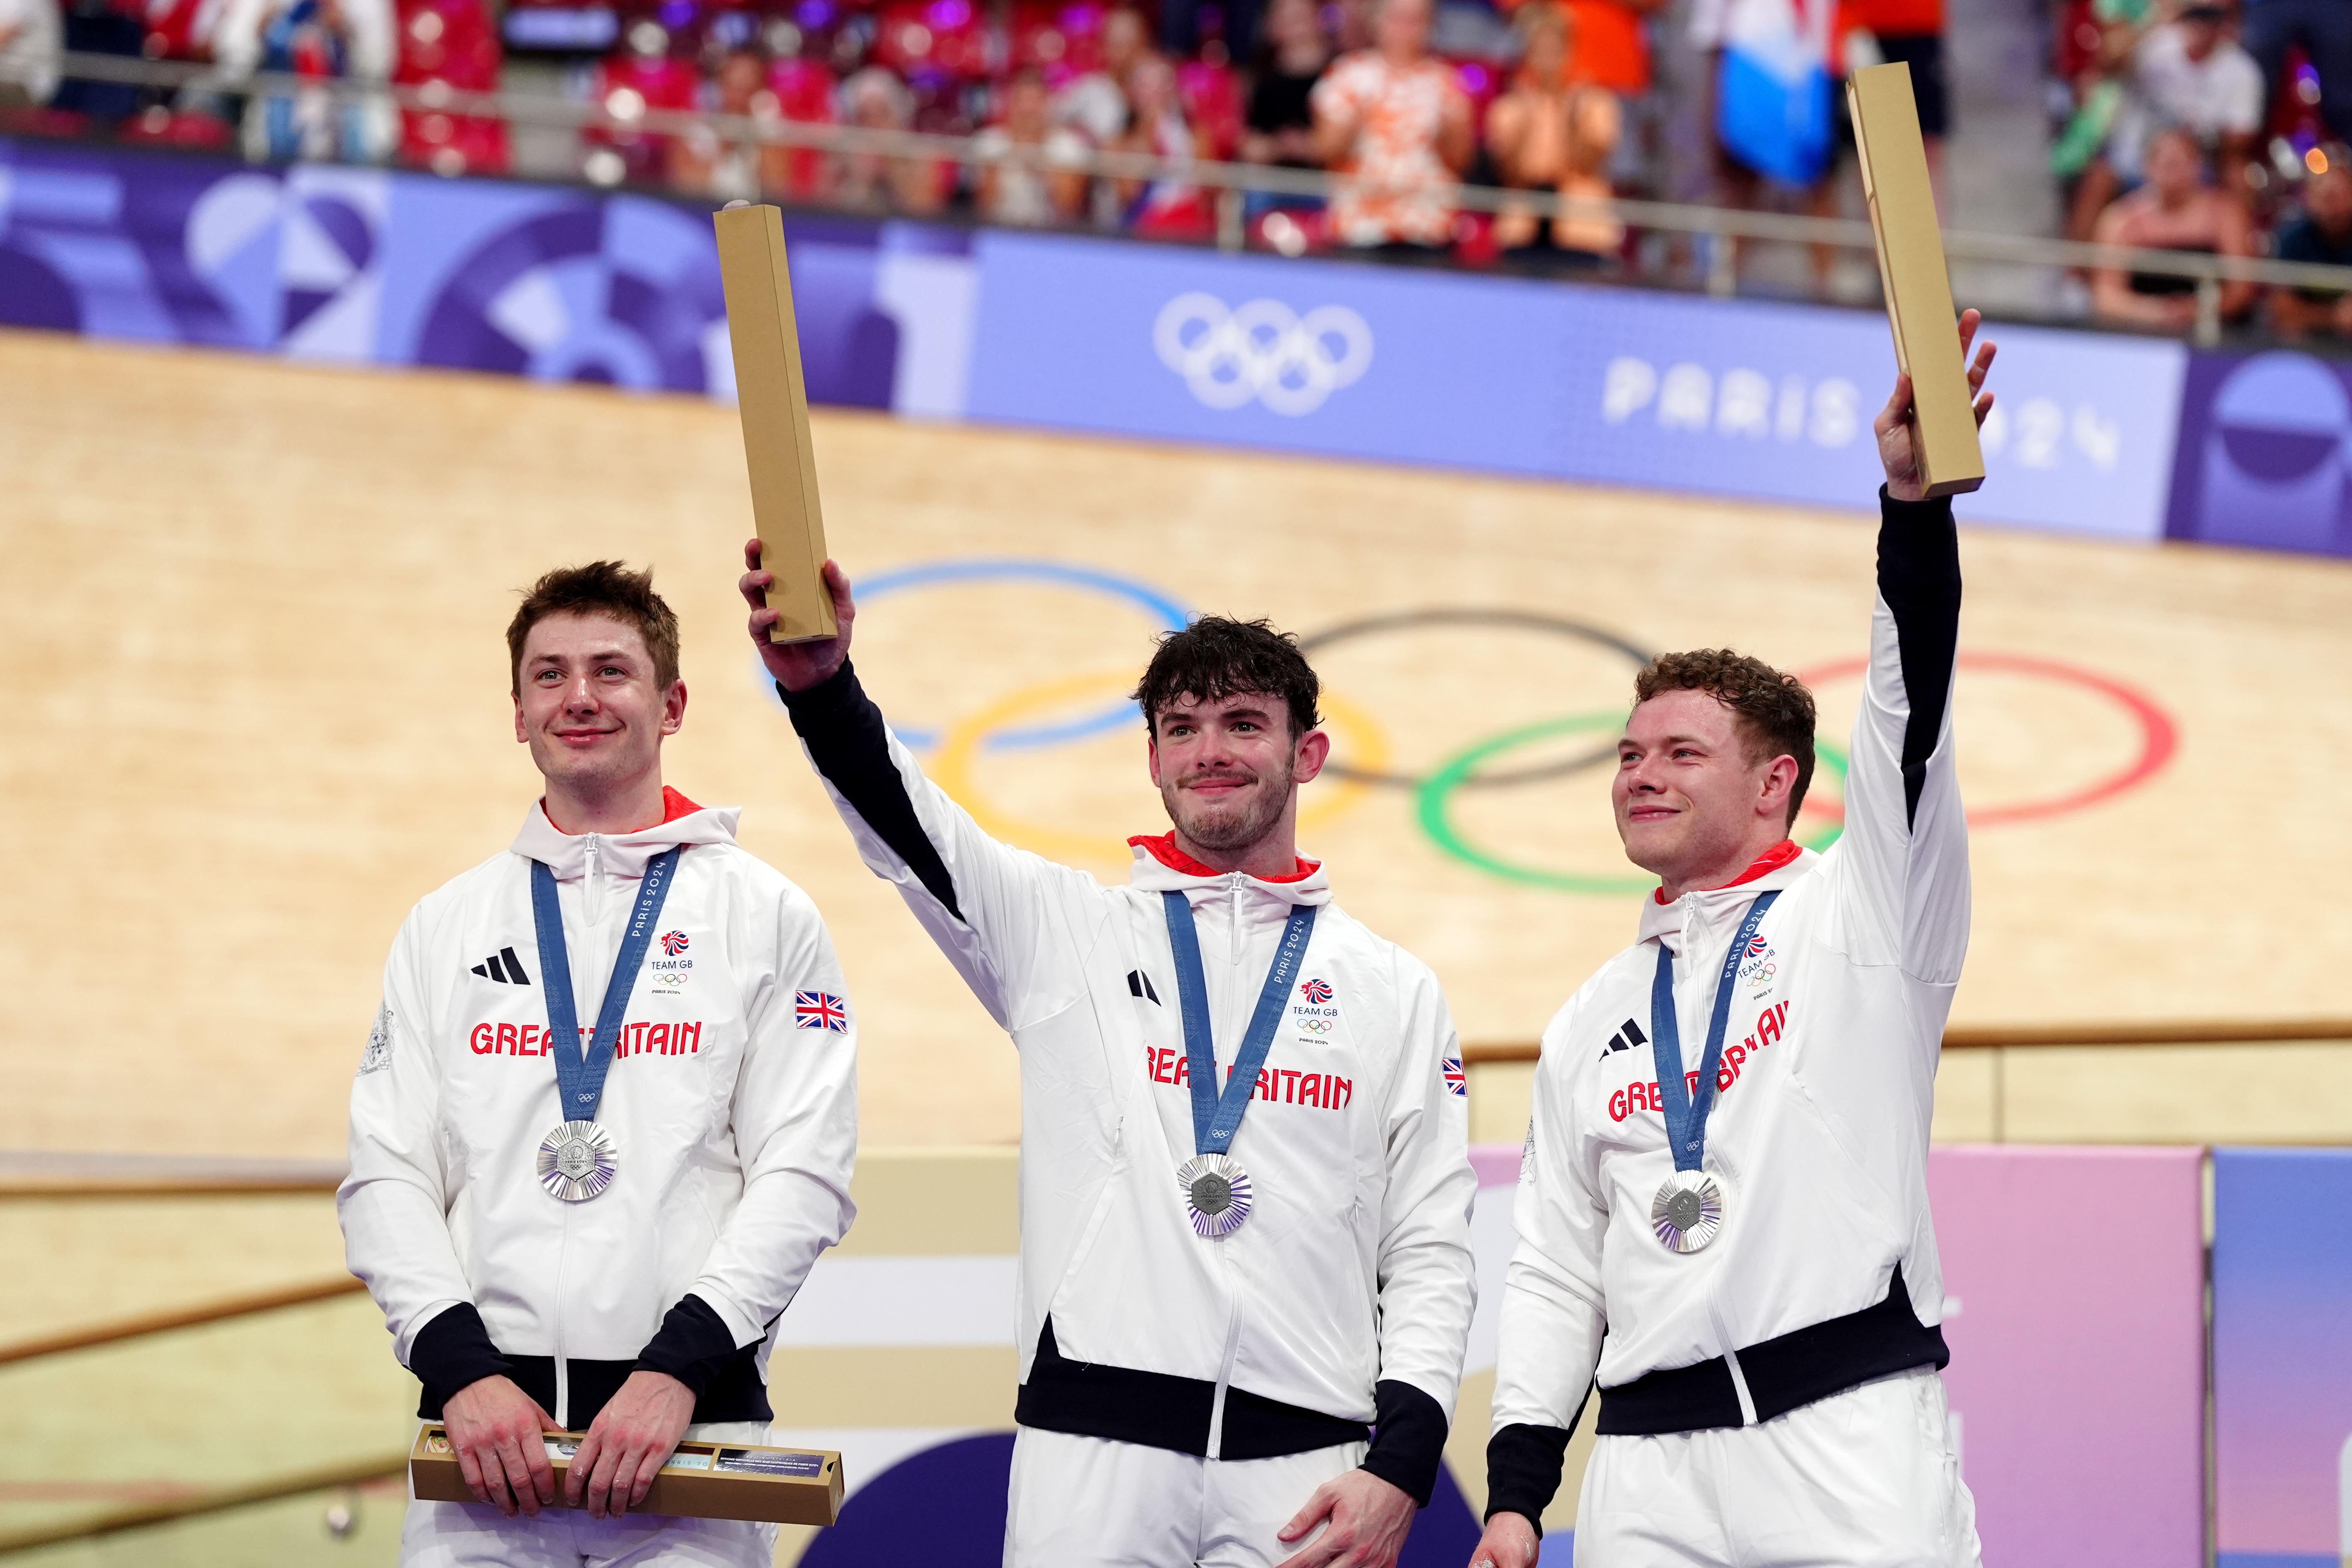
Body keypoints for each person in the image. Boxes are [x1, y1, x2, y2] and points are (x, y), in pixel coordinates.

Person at [737, 559, 1477, 1568]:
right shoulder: (1064, 932)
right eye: (1181, 728)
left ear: (1306, 753)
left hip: (1305, 1464)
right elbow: (911, 828)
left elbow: (1429, 1248)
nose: (1208, 752)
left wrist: (1399, 1464)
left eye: (1240, 725)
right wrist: (821, 688)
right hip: (1090, 1448)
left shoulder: (1393, 989)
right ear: (1152, 759)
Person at [1467, 314, 1999, 1568]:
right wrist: (1517, 1485)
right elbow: (1552, 1266)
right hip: (1644, 1473)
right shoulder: (1589, 1014)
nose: (1639, 775)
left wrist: (1910, 515)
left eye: (1680, 752)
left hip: (1846, 1442)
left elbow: (1906, 721)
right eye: (1627, 755)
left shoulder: (1867, 907)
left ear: (1776, 783)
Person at [342, 561, 858, 1568]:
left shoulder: (766, 915)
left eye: (610, 671)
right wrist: (460, 1374)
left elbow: (802, 1176)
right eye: (549, 676)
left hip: (690, 1447)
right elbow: (385, 1173)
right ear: (518, 712)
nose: (578, 697)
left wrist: (676, 1373)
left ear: (670, 704)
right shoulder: (445, 924)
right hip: (483, 1454)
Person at [2066, 0, 2262, 240]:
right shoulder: (2156, 44)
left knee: (2240, 177)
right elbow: (2108, 66)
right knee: (2099, 178)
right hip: (2138, 158)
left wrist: (2192, 137)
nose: (2201, 24)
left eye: (2211, 16)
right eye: (2195, 13)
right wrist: (2156, 19)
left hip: (2201, 162)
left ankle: (2245, 266)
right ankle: (2077, 270)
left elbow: (2241, 138)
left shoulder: (2241, 70)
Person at [1311, 0, 1474, 256]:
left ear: (1429, 26)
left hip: (1427, 224)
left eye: (1415, 20)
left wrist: (1447, 129)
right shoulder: (1348, 75)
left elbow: (1461, 160)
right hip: (1361, 224)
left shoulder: (1446, 83)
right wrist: (1360, 116)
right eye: (1397, 18)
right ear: (1376, 21)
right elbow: (1325, 150)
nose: (1405, 29)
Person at [1485, 1, 1623, 265]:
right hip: (1523, 233)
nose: (1549, 59)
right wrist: (1526, 122)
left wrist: (1571, 118)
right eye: (1541, 50)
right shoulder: (1509, 108)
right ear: (1527, 55)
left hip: (1582, 233)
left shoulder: (1595, 103)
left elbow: (1589, 163)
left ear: (1571, 50)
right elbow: (1509, 173)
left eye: (1556, 49)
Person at [2090, 124, 2256, 328]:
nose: (2173, 172)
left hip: (2213, 331)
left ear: (2198, 166)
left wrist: (2198, 311)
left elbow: (2241, 289)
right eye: (2166, 163)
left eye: (2180, 163)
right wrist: (2155, 313)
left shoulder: (2225, 214)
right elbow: (2106, 295)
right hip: (2141, 333)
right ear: (2147, 166)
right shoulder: (2121, 219)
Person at [974, 65, 1091, 226]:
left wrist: (1038, 155)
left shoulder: (1069, 145)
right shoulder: (990, 141)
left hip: (1053, 235)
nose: (1027, 109)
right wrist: (1013, 149)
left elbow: (1068, 205)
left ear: (1047, 104)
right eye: (1020, 100)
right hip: (1000, 230)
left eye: (1034, 101)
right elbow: (984, 204)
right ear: (1010, 104)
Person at [835, 64, 947, 215]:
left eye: (881, 114)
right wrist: (860, 181)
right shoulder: (840, 154)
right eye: (864, 116)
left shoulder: (920, 155)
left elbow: (929, 212)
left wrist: (895, 169)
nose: (873, 125)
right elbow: (821, 212)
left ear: (898, 117)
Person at [2270, 145, 2352, 336]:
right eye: (2327, 198)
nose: (2335, 208)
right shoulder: (2293, 238)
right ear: (2309, 198)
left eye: (2343, 196)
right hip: (2307, 347)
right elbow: (2281, 310)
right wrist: (2333, 316)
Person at [1241, 0, 1332, 169]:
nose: (1295, 28)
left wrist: (1309, 146)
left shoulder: (1339, 73)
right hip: (1273, 181)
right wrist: (1278, 147)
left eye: (1300, 18)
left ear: (1318, 19)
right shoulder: (1261, 75)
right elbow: (1249, 143)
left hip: (1325, 181)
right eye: (1286, 19)